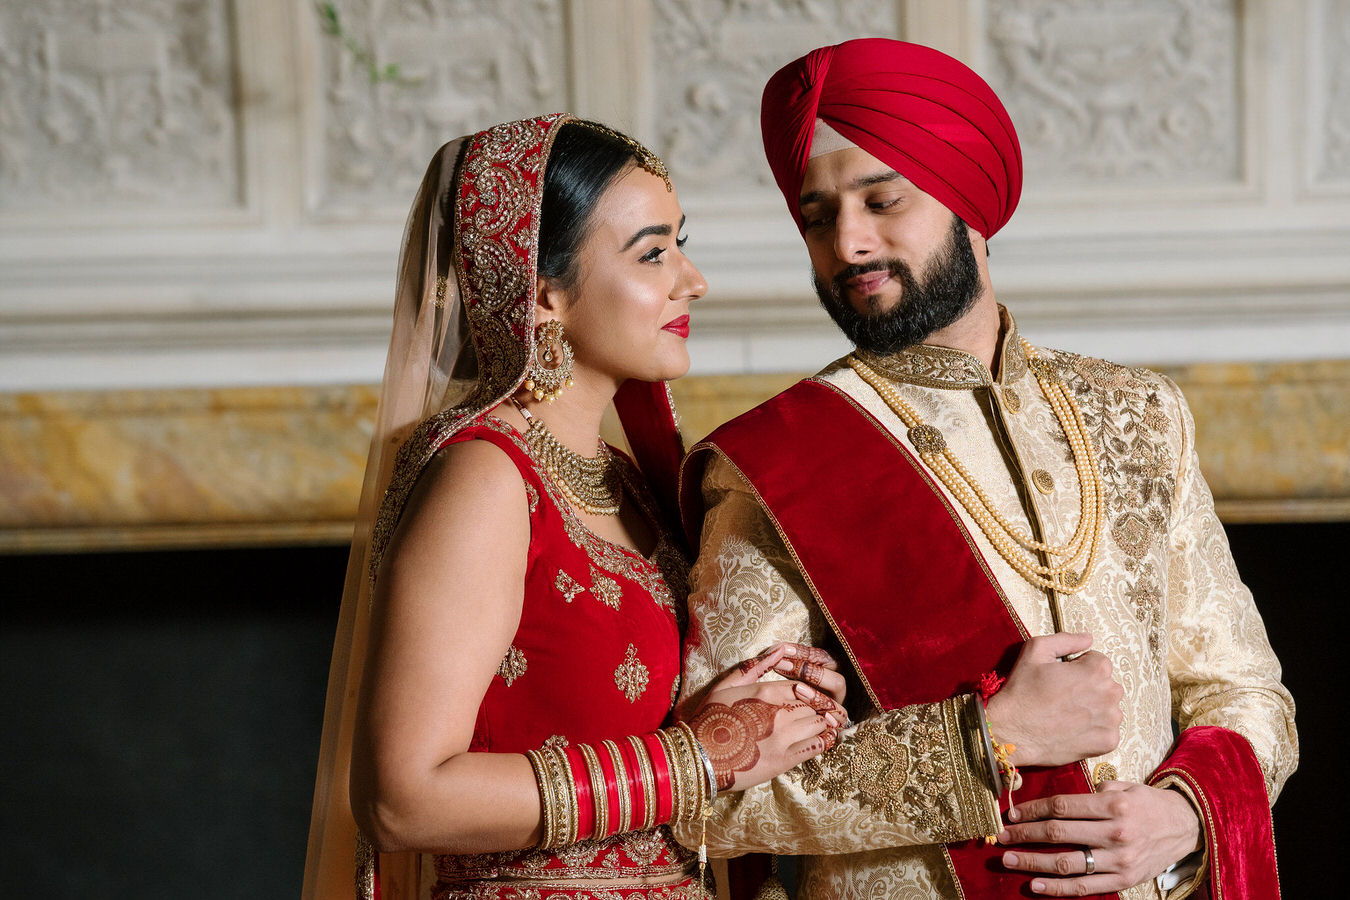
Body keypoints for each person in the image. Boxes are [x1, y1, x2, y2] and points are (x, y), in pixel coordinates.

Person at [673, 40, 1296, 899]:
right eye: (817, 218)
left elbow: (1248, 695)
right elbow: (715, 795)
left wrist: (1184, 814)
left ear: (968, 196)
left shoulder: (1141, 414)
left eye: (882, 200)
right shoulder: (775, 465)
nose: (849, 243)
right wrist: (982, 742)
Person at [302, 114, 849, 900]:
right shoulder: (486, 481)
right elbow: (401, 798)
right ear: (546, 292)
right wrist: (697, 759)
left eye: (680, 245)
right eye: (652, 253)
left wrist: (767, 691)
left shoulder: (628, 481)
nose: (691, 281)